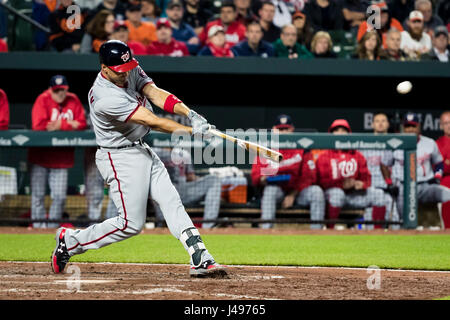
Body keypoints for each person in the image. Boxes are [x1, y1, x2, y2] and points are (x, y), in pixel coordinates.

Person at [51, 40, 227, 278]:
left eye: (128, 68)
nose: (126, 75)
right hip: (119, 156)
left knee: (171, 200)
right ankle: (71, 241)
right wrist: (190, 131)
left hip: (141, 148)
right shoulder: (106, 96)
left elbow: (154, 92)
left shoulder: (127, 67)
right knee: (130, 224)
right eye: (119, 72)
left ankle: (200, 256)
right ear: (104, 69)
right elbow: (150, 120)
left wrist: (189, 113)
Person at [29, 75, 87, 229]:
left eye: (63, 90)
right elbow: (39, 126)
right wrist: (70, 124)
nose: (61, 93)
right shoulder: (42, 99)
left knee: (60, 197)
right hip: (40, 157)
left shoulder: (73, 100)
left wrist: (62, 124)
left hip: (62, 159)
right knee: (37, 197)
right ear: (50, 90)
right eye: (57, 90)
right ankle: (37, 228)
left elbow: (82, 124)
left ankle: (52, 228)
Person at [251, 114, 325, 229]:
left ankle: (317, 232)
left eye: (286, 129)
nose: (284, 132)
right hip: (277, 190)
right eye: (280, 129)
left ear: (292, 129)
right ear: (274, 130)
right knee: (270, 190)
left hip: (299, 192)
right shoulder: (265, 149)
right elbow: (255, 175)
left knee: (317, 192)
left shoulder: (302, 148)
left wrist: (292, 195)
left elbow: (309, 177)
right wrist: (262, 179)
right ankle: (266, 231)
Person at [316, 119, 387, 229]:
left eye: (343, 130)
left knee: (379, 194)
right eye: (336, 130)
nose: (340, 133)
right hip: (332, 196)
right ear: (331, 134)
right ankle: (329, 230)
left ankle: (378, 232)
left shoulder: (357, 155)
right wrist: (341, 184)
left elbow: (367, 178)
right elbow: (321, 182)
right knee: (337, 194)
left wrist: (361, 184)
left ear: (349, 134)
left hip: (354, 195)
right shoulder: (324, 155)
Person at [386, 112, 450, 227]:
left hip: (424, 186)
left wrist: (437, 177)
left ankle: (440, 227)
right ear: (403, 128)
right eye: (407, 126)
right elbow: (385, 165)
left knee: (447, 194)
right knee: (402, 220)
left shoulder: (429, 143)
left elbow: (439, 163)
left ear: (419, 127)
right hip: (403, 187)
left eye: (413, 126)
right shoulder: (394, 143)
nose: (410, 129)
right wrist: (390, 183)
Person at [151, 147, 222, 229]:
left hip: (183, 191)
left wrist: (201, 180)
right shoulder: (152, 152)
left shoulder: (184, 154)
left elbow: (190, 177)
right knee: (157, 188)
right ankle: (163, 226)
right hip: (164, 192)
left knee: (213, 180)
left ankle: (208, 227)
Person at [360, 112, 400, 230]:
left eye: (383, 121)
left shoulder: (395, 143)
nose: (380, 124)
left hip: (389, 188)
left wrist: (392, 183)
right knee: (369, 223)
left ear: (388, 124)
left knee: (395, 221)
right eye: (377, 121)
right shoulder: (364, 143)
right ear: (372, 125)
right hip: (370, 189)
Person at [436, 111, 450, 228]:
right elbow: (441, 167)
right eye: (446, 123)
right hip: (445, 184)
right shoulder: (437, 144)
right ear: (441, 125)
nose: (449, 125)